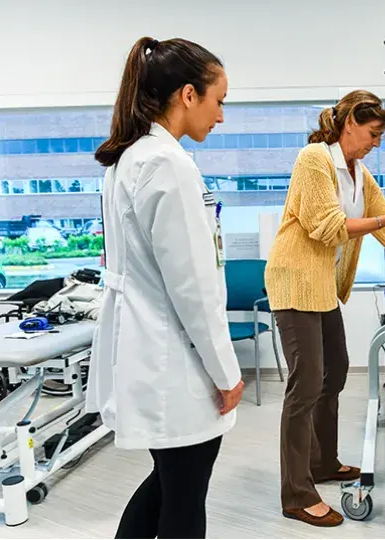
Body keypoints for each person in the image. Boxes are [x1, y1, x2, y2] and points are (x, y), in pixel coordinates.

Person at [264, 90, 385, 527]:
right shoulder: (314, 159)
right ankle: (296, 493)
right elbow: (329, 228)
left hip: (322, 288)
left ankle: (322, 462)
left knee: (334, 371)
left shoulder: (358, 174)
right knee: (307, 382)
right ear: (350, 122)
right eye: (373, 133)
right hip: (294, 281)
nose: (376, 142)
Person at [85, 36, 244, 539]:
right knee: (183, 495)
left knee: (170, 483)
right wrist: (226, 372)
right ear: (188, 95)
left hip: (152, 351)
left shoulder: (131, 157)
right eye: (219, 101)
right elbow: (192, 288)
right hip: (173, 360)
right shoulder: (168, 165)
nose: (220, 117)